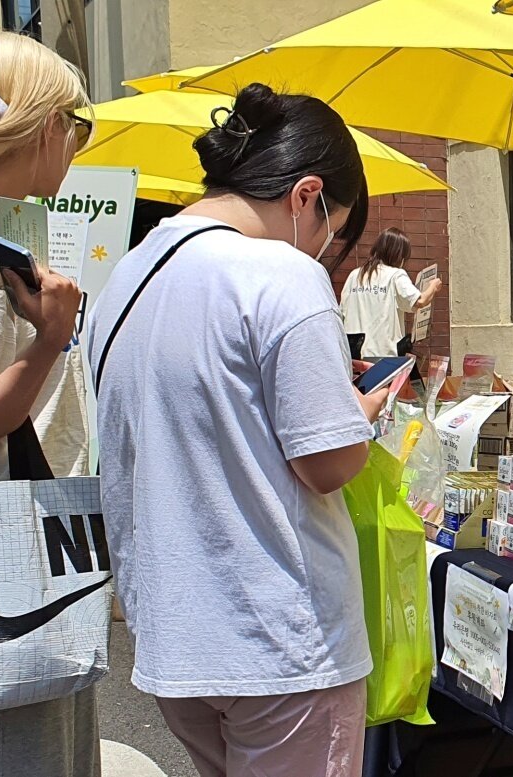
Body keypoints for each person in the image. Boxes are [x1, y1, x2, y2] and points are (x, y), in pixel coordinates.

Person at [88, 83, 387, 777]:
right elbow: (327, 461)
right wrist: (361, 413)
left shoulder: (126, 278)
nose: (325, 250)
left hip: (177, 637)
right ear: (306, 195)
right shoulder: (280, 274)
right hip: (281, 639)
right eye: (333, 230)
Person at [0, 30, 99, 777]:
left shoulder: (7, 231)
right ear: (49, 127)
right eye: (74, 131)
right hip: (4, 557)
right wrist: (51, 337)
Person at [340, 226, 442, 357]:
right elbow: (420, 301)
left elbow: (341, 314)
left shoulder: (354, 275)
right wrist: (433, 286)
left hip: (352, 357)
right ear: (399, 255)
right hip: (383, 358)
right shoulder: (395, 275)